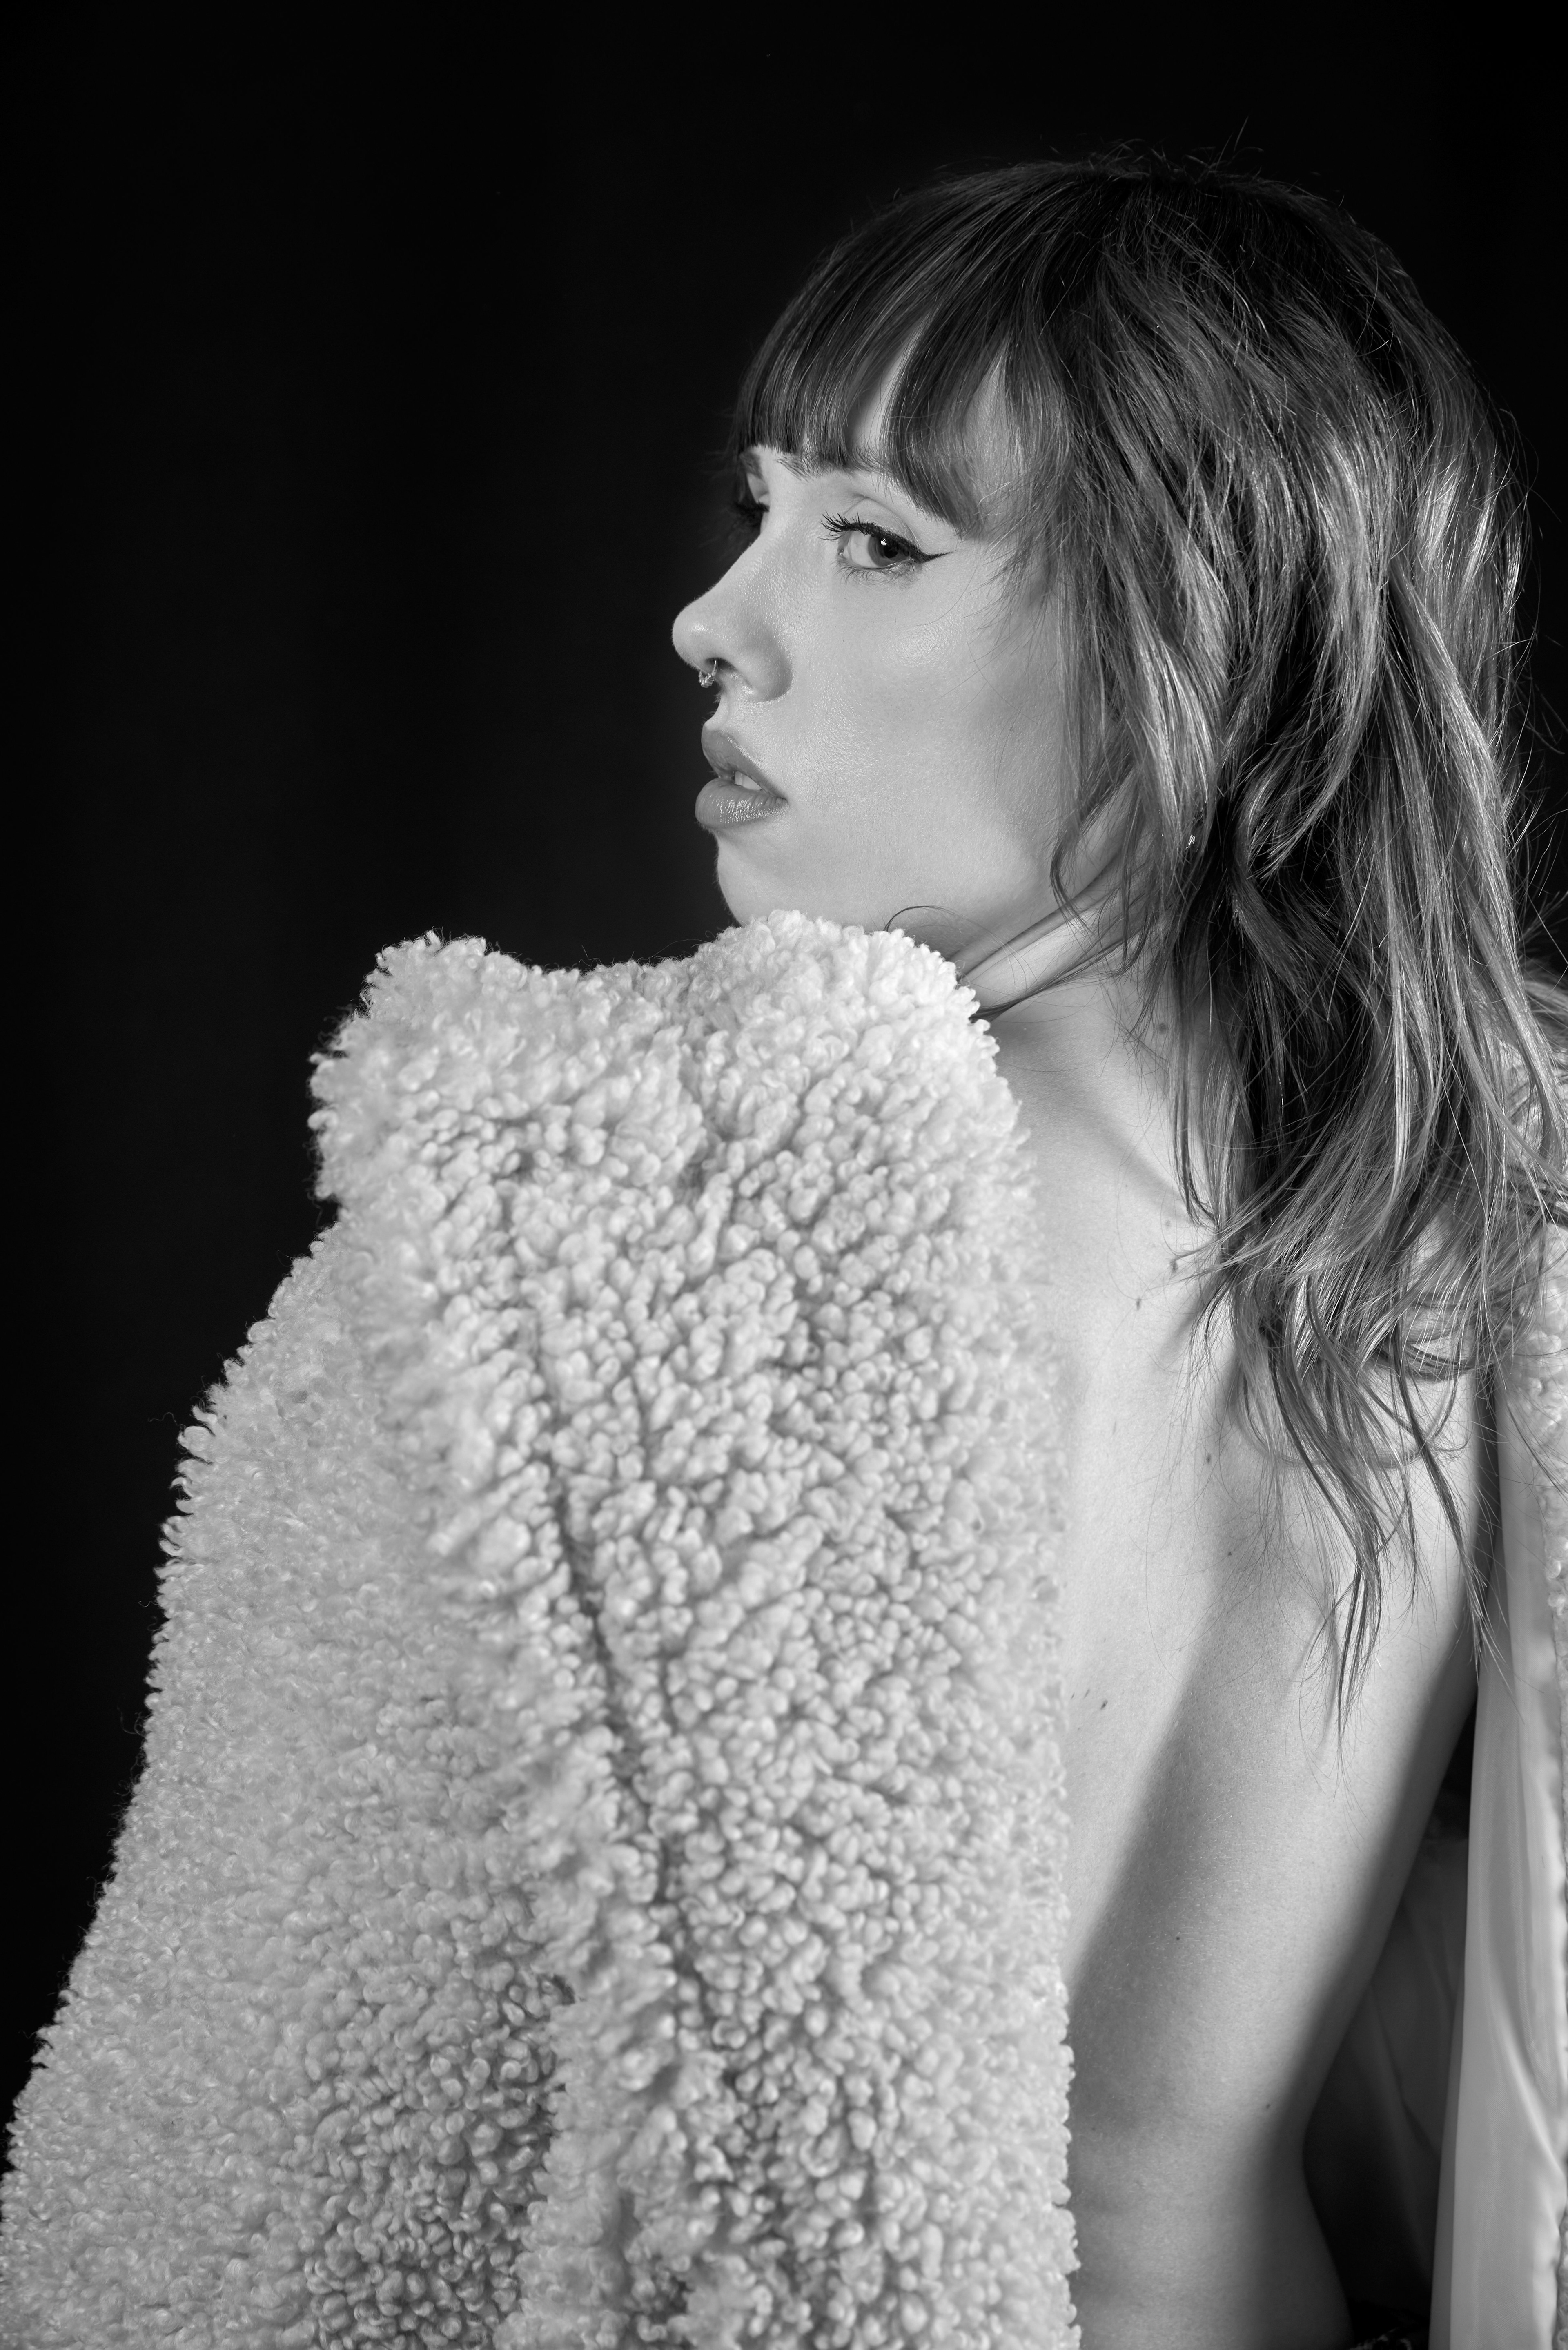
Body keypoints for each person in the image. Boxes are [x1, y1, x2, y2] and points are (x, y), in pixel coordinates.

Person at [4, 154, 1565, 2350]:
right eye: (763, 511)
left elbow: (257, 2165)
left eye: (875, 540)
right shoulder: (1458, 1242)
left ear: (1204, 644)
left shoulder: (608, 1226)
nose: (716, 620)